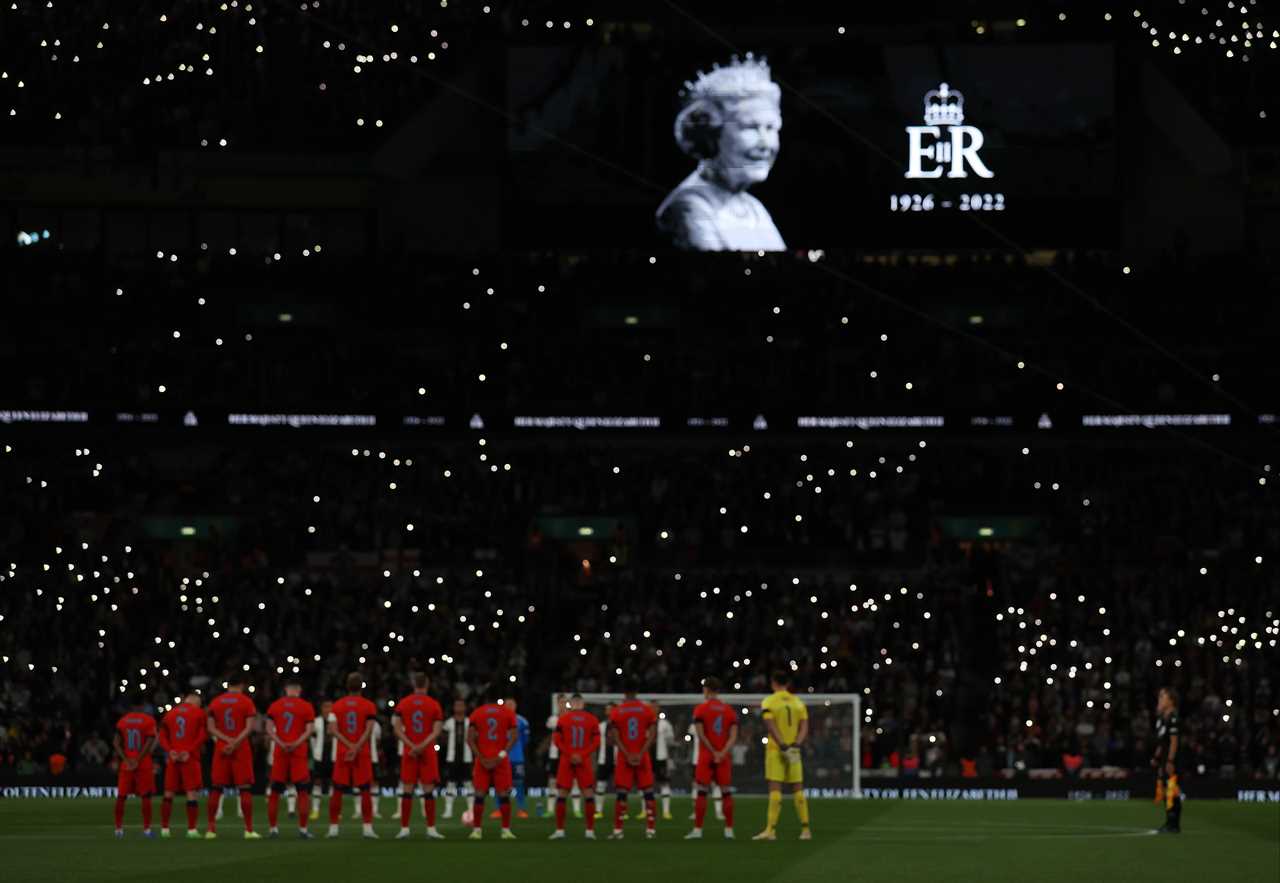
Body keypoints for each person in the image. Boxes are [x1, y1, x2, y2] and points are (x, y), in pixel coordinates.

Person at [655, 53, 785, 252]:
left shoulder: (754, 208)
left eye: (771, 128)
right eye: (750, 128)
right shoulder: (689, 208)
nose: (765, 143)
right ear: (711, 134)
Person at [754, 670, 811, 841]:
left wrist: (782, 745)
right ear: (787, 683)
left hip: (775, 749)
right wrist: (796, 745)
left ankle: (770, 830)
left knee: (775, 789)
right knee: (798, 789)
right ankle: (806, 830)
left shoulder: (769, 701)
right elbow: (804, 727)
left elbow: (770, 725)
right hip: (794, 749)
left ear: (773, 683)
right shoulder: (798, 702)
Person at [392, 671, 445, 839]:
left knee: (407, 790)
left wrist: (411, 746)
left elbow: (397, 729)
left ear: (414, 685)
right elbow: (436, 731)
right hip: (427, 751)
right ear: (427, 685)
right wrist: (422, 745)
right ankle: (430, 829)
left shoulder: (403, 704)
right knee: (428, 791)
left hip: (410, 751)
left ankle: (404, 829)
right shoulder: (434, 704)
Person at [206, 675, 260, 839]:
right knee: (244, 788)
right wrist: (235, 742)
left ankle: (211, 829)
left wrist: (226, 740)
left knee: (216, 788)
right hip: (240, 747)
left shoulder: (215, 702)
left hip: (222, 747)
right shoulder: (246, 702)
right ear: (242, 685)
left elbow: (210, 728)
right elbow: (249, 728)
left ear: (227, 685)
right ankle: (249, 830)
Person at [327, 672, 379, 839]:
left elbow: (333, 730)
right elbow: (369, 729)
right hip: (362, 751)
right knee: (365, 790)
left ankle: (334, 828)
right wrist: (356, 747)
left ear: (347, 686)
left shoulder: (336, 706)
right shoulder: (369, 705)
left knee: (337, 790)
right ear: (361, 686)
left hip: (343, 752)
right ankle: (367, 828)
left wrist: (348, 745)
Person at [686, 677, 739, 839]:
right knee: (726, 792)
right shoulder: (729, 710)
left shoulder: (700, 709)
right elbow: (734, 736)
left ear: (706, 689)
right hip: (723, 756)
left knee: (701, 792)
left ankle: (698, 830)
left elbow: (701, 734)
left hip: (706, 756)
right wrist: (722, 752)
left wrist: (713, 752)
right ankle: (729, 830)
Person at [265, 678, 316, 838]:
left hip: (280, 752)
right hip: (298, 752)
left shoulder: (275, 705)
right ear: (299, 690)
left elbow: (268, 729)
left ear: (286, 689)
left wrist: (281, 742)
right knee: (302, 791)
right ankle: (303, 829)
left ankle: (273, 829)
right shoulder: (306, 706)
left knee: (274, 791)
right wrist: (296, 743)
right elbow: (309, 730)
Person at [466, 691, 519, 840]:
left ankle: (477, 831)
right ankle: (506, 830)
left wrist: (481, 758)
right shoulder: (507, 713)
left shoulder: (477, 713)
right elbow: (514, 737)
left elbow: (469, 739)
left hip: (482, 760)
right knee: (503, 795)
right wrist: (501, 755)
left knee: (479, 795)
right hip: (500, 760)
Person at [608, 681, 658, 840]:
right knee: (648, 793)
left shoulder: (617, 711)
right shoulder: (647, 710)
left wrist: (627, 754)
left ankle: (618, 830)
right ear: (637, 692)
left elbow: (614, 736)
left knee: (622, 794)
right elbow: (652, 733)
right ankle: (650, 830)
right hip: (642, 756)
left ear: (624, 693)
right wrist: (641, 752)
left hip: (624, 756)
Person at [548, 694, 600, 840]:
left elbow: (556, 740)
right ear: (582, 703)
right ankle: (589, 831)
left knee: (563, 794)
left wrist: (570, 754)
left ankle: (560, 831)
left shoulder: (563, 719)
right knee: (588, 793)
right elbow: (596, 742)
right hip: (583, 760)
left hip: (567, 759)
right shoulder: (591, 719)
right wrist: (582, 755)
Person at [158, 692, 206, 838]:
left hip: (173, 758)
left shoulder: (170, 713)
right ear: (196, 702)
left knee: (168, 793)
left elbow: (161, 735)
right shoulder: (199, 713)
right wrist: (188, 751)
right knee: (191, 793)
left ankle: (164, 829)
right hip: (189, 758)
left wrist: (170, 751)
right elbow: (203, 735)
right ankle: (191, 830)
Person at [112, 699, 158, 838]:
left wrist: (126, 760)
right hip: (143, 763)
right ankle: (147, 830)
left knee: (121, 796)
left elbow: (115, 743)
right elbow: (150, 742)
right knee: (145, 796)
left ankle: (119, 829)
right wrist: (137, 760)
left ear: (131, 706)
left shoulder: (123, 721)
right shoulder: (148, 720)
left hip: (127, 764)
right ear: (143, 705)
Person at [1153, 687, 1183, 834]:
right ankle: (1170, 822)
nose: (1160, 699)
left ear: (1171, 701)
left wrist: (1170, 761)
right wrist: (1157, 758)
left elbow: (1174, 741)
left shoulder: (1173, 717)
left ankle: (1173, 823)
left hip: (1172, 759)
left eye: (1163, 697)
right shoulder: (1161, 718)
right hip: (1165, 759)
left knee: (1172, 790)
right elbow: (1161, 742)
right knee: (1166, 790)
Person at [441, 698, 471, 818]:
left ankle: (471, 810)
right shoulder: (448, 722)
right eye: (456, 705)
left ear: (465, 707)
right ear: (453, 708)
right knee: (450, 784)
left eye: (461, 705)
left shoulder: (469, 722)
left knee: (468, 784)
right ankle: (448, 810)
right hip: (452, 757)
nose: (459, 708)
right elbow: (442, 737)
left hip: (467, 757)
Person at [308, 699, 335, 822]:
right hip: (320, 756)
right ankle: (315, 810)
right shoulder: (316, 721)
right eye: (326, 706)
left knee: (333, 783)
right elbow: (312, 738)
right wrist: (315, 753)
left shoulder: (336, 721)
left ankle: (334, 810)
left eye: (330, 707)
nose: (328, 709)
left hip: (333, 756)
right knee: (317, 782)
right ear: (322, 708)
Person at [652, 700, 676, 820]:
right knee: (646, 784)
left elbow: (671, 742)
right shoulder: (645, 723)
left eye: (655, 707)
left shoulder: (665, 724)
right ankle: (645, 811)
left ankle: (666, 811)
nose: (653, 709)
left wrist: (669, 757)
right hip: (647, 757)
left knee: (664, 782)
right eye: (652, 707)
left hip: (661, 757)